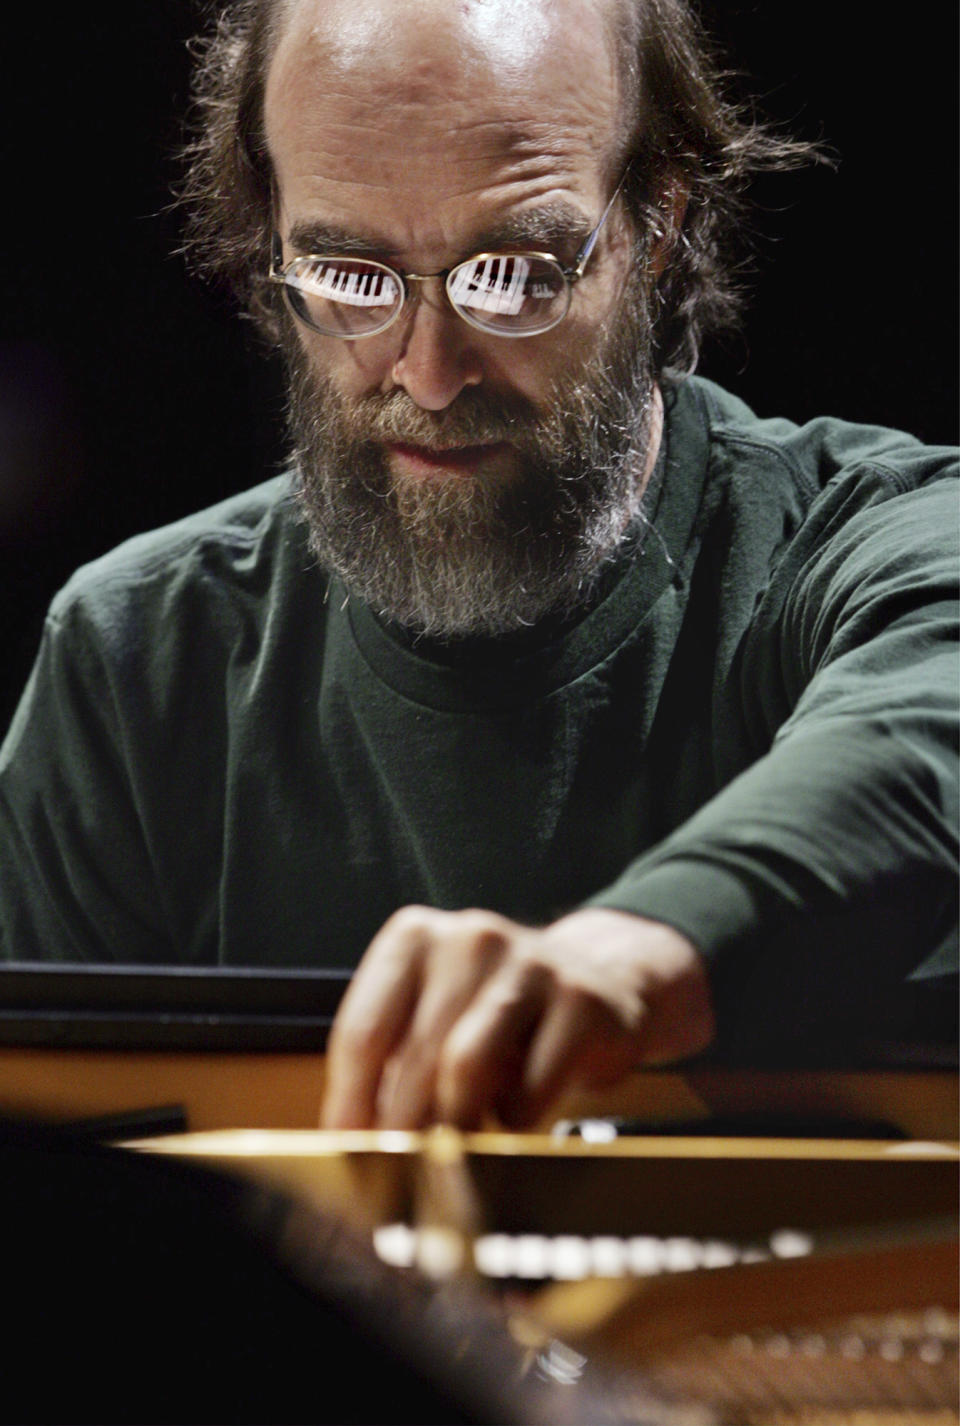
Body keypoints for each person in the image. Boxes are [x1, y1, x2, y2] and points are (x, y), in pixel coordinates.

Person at [0, 0, 955, 1132]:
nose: (431, 370)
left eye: (515, 273)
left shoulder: (864, 537)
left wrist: (642, 944)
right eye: (350, 275)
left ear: (656, 228)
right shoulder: (133, 666)